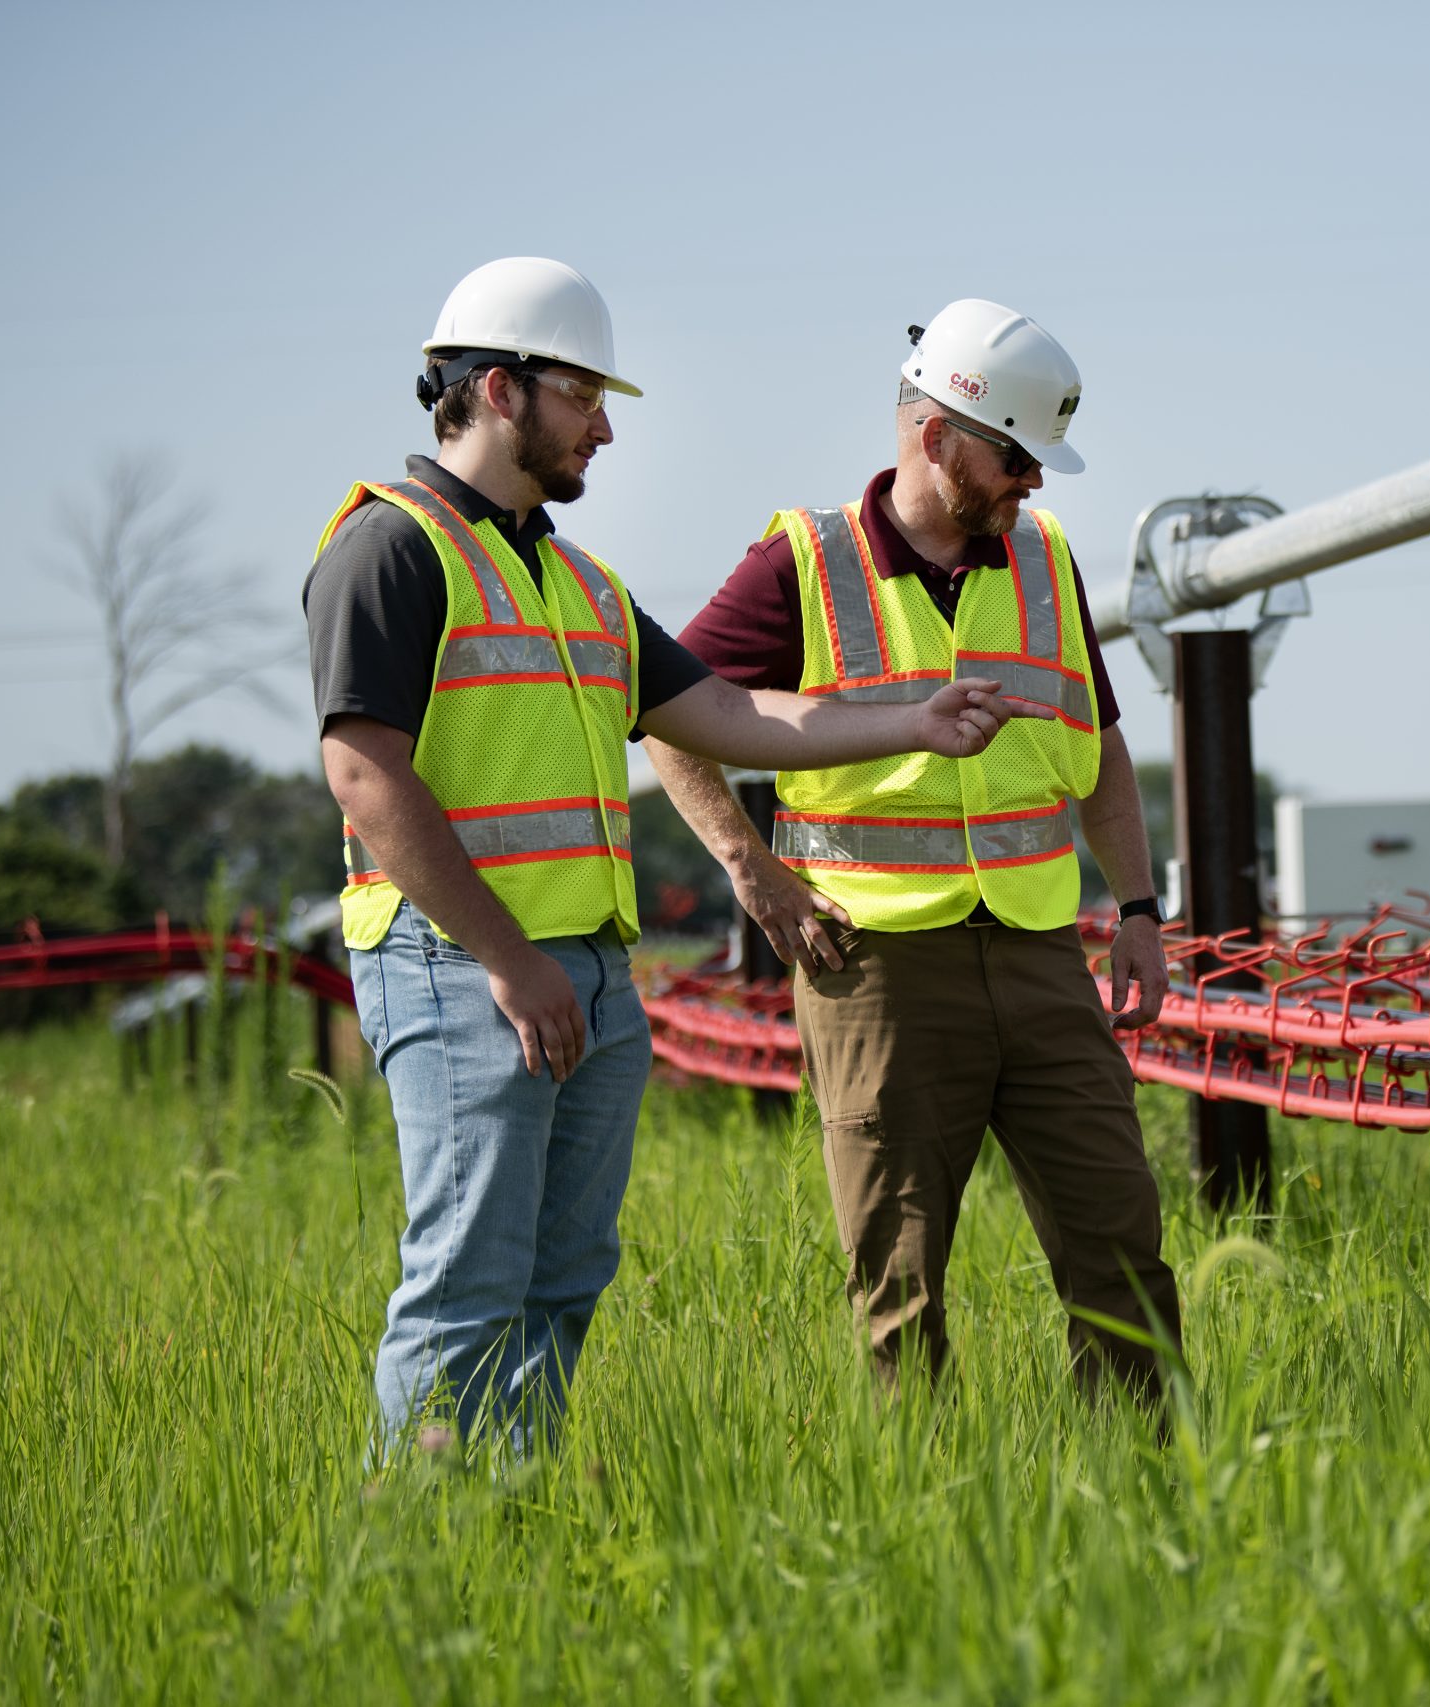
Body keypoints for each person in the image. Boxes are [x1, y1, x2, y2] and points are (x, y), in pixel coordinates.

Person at [306, 259, 1026, 1452]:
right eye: (585, 397)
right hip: (464, 966)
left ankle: (508, 1510)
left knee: (566, 1274)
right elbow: (365, 775)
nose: (603, 428)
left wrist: (912, 719)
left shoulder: (578, 583)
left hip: (582, 971)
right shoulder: (391, 548)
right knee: (468, 1279)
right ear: (498, 389)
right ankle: (422, 1553)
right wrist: (508, 959)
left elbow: (732, 718)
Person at [645, 298, 1181, 1402]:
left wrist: (1136, 911)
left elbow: (1103, 749)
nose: (1033, 484)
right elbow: (669, 714)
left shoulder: (1044, 560)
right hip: (874, 970)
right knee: (898, 1286)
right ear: (935, 436)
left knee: (1122, 1251)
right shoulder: (804, 561)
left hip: (1042, 959)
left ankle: (1154, 1504)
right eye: (1015, 458)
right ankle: (923, 1521)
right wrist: (753, 871)